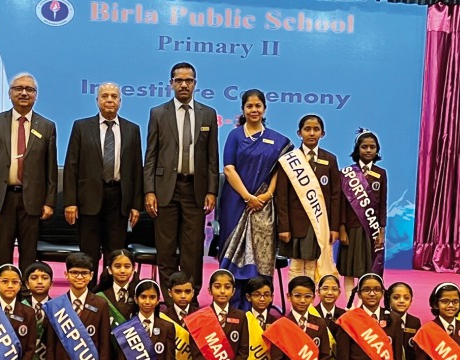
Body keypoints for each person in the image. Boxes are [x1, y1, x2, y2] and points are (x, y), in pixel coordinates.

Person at [144, 62, 219, 296]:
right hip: (166, 188)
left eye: (189, 80)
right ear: (171, 84)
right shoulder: (158, 113)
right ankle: (168, 297)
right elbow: (151, 155)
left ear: (195, 84)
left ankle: (190, 295)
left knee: (193, 248)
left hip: (195, 189)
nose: (184, 85)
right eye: (179, 80)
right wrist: (149, 191)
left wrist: (212, 191)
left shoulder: (208, 114)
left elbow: (212, 157)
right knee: (165, 248)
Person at [64, 83, 142, 287]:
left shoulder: (132, 130)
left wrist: (136, 204)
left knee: (115, 253)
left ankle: (109, 295)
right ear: (97, 100)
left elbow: (136, 170)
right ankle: (86, 294)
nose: (109, 99)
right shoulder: (81, 127)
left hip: (119, 199)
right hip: (88, 199)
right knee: (88, 253)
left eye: (114, 96)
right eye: (105, 96)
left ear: (120, 102)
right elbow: (72, 166)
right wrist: (70, 202)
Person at [0, 72, 58, 270]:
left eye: (29, 89)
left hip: (32, 200)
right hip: (2, 198)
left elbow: (50, 169)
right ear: (9, 93)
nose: (24, 93)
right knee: (2, 251)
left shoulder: (47, 127)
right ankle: (0, 294)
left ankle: (25, 295)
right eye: (18, 89)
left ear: (36, 95)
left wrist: (49, 202)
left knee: (29, 252)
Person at [218, 90, 291, 297]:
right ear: (243, 109)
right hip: (235, 203)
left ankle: (260, 302)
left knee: (262, 258)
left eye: (258, 106)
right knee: (232, 253)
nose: (254, 110)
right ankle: (232, 303)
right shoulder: (235, 135)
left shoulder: (277, 140)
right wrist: (248, 197)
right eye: (249, 106)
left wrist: (267, 195)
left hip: (264, 208)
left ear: (264, 108)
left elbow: (280, 170)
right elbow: (229, 169)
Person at [277, 114, 342, 281]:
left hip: (320, 223)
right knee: (297, 264)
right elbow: (281, 196)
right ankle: (295, 303)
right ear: (299, 133)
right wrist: (284, 226)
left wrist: (334, 227)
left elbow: (336, 196)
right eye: (307, 129)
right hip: (295, 223)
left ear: (323, 133)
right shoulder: (288, 160)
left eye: (316, 129)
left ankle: (310, 304)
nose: (312, 133)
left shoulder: (330, 159)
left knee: (314, 263)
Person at [337, 130, 388, 292]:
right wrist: (342, 228)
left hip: (371, 230)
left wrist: (381, 231)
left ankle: (362, 305)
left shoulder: (381, 174)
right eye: (364, 146)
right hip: (351, 229)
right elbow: (342, 204)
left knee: (367, 269)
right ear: (357, 149)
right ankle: (350, 305)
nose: (368, 150)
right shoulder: (346, 173)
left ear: (377, 150)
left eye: (372, 147)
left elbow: (382, 205)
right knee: (349, 269)